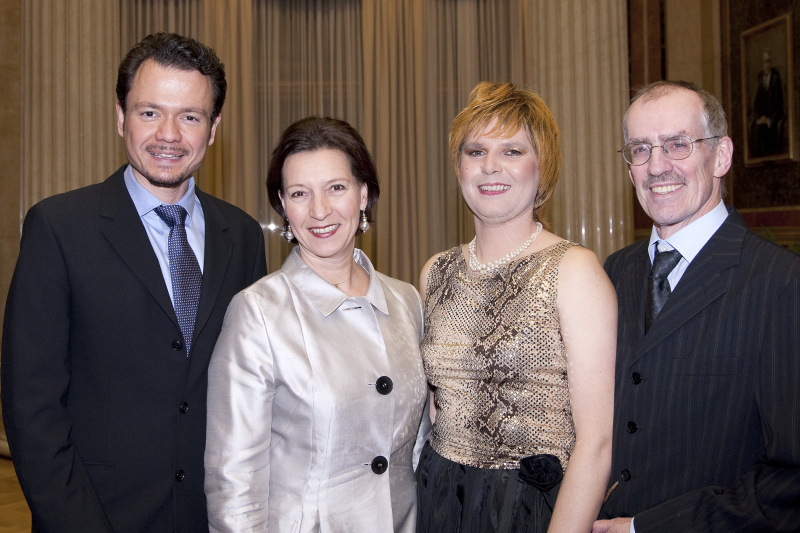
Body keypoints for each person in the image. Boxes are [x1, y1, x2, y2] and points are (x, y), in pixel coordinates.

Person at [1, 32, 267, 532]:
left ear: (213, 129)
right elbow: (31, 409)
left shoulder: (243, 236)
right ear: (121, 117)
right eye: (150, 112)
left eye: (190, 117)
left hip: (213, 517)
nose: (169, 134)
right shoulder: (58, 228)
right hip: (95, 515)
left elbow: (251, 391)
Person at [204, 116, 429, 532]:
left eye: (336, 188)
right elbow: (233, 483)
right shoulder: (257, 313)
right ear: (283, 205)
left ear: (363, 194)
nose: (319, 210)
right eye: (300, 193)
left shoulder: (406, 302)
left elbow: (417, 451)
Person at [593, 81, 800, 533]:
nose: (656, 166)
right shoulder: (613, 271)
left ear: (721, 156)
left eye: (677, 144)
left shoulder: (781, 283)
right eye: (640, 149)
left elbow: (791, 480)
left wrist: (645, 528)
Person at [416, 81, 617, 533]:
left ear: (542, 168)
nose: (490, 166)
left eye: (512, 151)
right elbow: (436, 409)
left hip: (531, 508)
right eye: (475, 151)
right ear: (459, 166)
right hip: (441, 497)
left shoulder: (574, 271)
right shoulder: (435, 272)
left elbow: (597, 442)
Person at [750, 49, 784, 157]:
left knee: (764, 130)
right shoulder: (760, 80)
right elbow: (756, 103)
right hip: (762, 118)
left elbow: (779, 104)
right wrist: (759, 118)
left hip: (773, 117)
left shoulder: (776, 80)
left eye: (768, 61)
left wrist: (769, 119)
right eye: (765, 62)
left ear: (771, 63)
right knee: (755, 127)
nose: (767, 65)